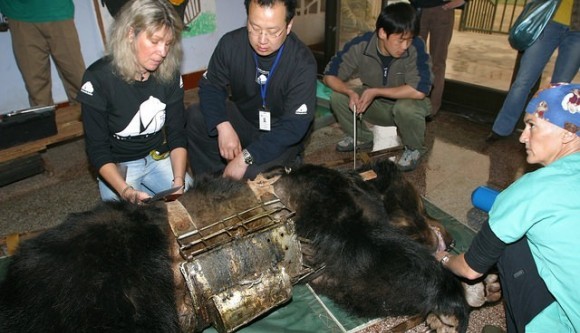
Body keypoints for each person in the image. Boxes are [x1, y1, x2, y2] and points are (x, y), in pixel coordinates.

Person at [437, 84, 580, 332]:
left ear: (567, 133)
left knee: (508, 242)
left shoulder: (531, 190)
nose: (523, 136)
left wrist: (444, 258)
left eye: (532, 125)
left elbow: (470, 269)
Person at [186, 0, 317, 180]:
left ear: (288, 26)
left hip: (280, 133)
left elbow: (294, 126)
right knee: (196, 116)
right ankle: (212, 184)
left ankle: (284, 165)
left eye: (273, 31)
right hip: (245, 119)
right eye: (255, 28)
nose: (262, 40)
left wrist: (245, 158)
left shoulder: (302, 63)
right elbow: (211, 86)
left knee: (255, 177)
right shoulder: (230, 44)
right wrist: (223, 126)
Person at [77, 0, 192, 204]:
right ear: (131, 34)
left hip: (157, 156)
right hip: (119, 164)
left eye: (167, 44)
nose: (163, 52)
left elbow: (177, 134)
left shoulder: (169, 73)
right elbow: (97, 150)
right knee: (128, 225)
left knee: (194, 202)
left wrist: (179, 182)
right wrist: (125, 191)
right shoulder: (98, 78)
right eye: (155, 41)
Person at [322, 2, 433, 172]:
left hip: (406, 105)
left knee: (406, 109)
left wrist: (376, 91)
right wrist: (349, 91)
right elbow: (329, 75)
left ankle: (414, 148)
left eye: (409, 39)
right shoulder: (361, 44)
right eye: (400, 40)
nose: (405, 46)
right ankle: (360, 137)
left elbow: (419, 90)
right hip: (375, 107)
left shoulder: (416, 46)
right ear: (382, 33)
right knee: (338, 97)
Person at [487, 0, 580, 142]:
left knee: (560, 89)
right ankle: (501, 129)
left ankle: (546, 137)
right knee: (523, 82)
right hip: (547, 21)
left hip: (577, 31)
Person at [0, 0, 86, 107]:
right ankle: (45, 121)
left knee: (77, 77)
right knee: (36, 88)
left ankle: (93, 120)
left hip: (56, 9)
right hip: (18, 13)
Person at [413, 0, 465, 119]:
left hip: (442, 9)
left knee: (437, 62)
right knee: (413, 58)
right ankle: (411, 102)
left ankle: (432, 108)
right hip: (418, 9)